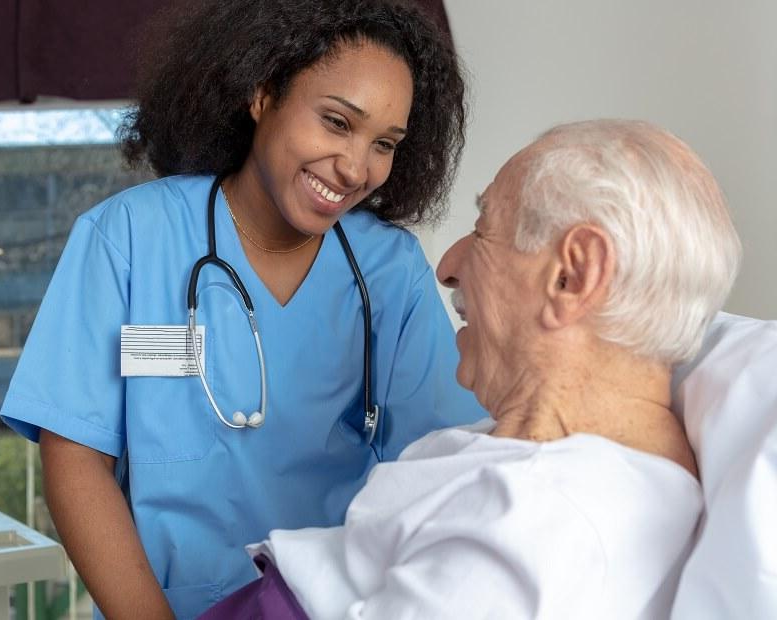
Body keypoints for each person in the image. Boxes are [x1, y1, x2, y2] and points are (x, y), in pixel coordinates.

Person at [0, 1, 485, 618]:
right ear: (262, 94)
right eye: (337, 121)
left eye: (384, 143)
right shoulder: (128, 236)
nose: (357, 167)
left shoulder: (389, 271)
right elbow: (74, 458)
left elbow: (443, 462)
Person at [199, 119, 742, 619]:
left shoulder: (536, 522)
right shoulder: (584, 469)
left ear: (573, 276)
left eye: (483, 230)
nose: (448, 266)